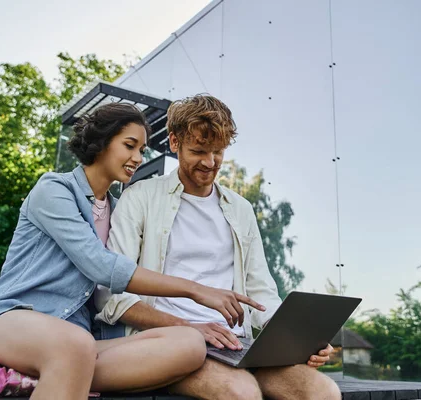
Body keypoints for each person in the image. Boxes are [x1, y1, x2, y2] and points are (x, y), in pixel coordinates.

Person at [0, 103, 264, 400]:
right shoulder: (54, 190)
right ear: (102, 143)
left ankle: (24, 380)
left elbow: (104, 297)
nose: (138, 158)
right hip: (10, 322)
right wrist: (197, 290)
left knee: (189, 344)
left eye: (142, 149)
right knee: (74, 347)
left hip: (76, 339)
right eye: (129, 145)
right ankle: (26, 372)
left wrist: (192, 324)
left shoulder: (117, 208)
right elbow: (103, 267)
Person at [95, 95, 341, 400]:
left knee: (324, 392)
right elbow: (111, 296)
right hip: (174, 346)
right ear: (174, 142)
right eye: (198, 151)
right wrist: (191, 327)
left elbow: (261, 292)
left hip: (241, 346)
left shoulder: (240, 209)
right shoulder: (140, 198)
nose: (210, 163)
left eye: (218, 152)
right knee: (242, 394)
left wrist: (303, 340)